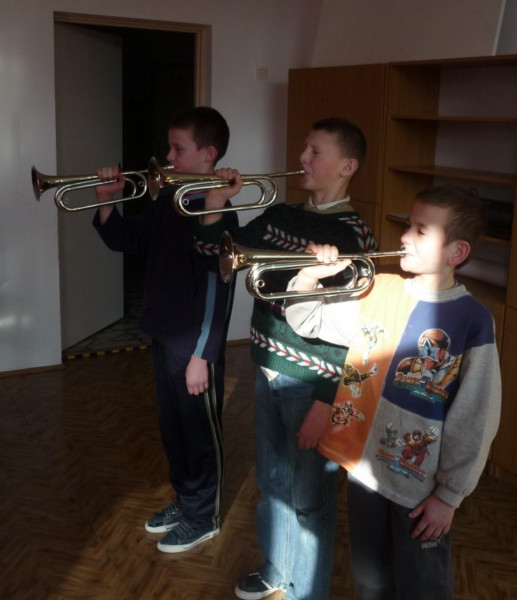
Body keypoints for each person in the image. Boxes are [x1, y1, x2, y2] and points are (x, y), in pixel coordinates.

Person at [284, 186, 502, 599]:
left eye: (421, 230)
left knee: (423, 587)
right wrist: (310, 276)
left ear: (456, 252)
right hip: (364, 470)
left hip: (419, 488)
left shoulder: (473, 320)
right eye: (407, 225)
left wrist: (449, 496)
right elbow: (306, 320)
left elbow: (476, 416)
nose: (404, 236)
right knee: (370, 581)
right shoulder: (379, 288)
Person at [198, 117, 377, 600]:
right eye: (304, 148)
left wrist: (325, 400)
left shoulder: (353, 237)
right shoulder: (280, 216)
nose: (302, 158)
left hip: (311, 384)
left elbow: (353, 333)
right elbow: (215, 252)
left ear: (347, 166)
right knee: (272, 482)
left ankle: (307, 592)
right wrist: (217, 203)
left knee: (310, 500)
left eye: (315, 151)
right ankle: (278, 570)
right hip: (267, 369)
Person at [93, 106, 239, 553]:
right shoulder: (169, 199)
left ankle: (204, 516)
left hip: (195, 345)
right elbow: (127, 239)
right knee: (173, 427)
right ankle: (186, 499)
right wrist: (106, 200)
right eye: (169, 148)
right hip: (164, 334)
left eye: (178, 149)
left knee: (199, 432)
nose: (168, 157)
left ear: (208, 154)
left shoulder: (218, 210)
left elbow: (218, 291)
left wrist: (203, 355)